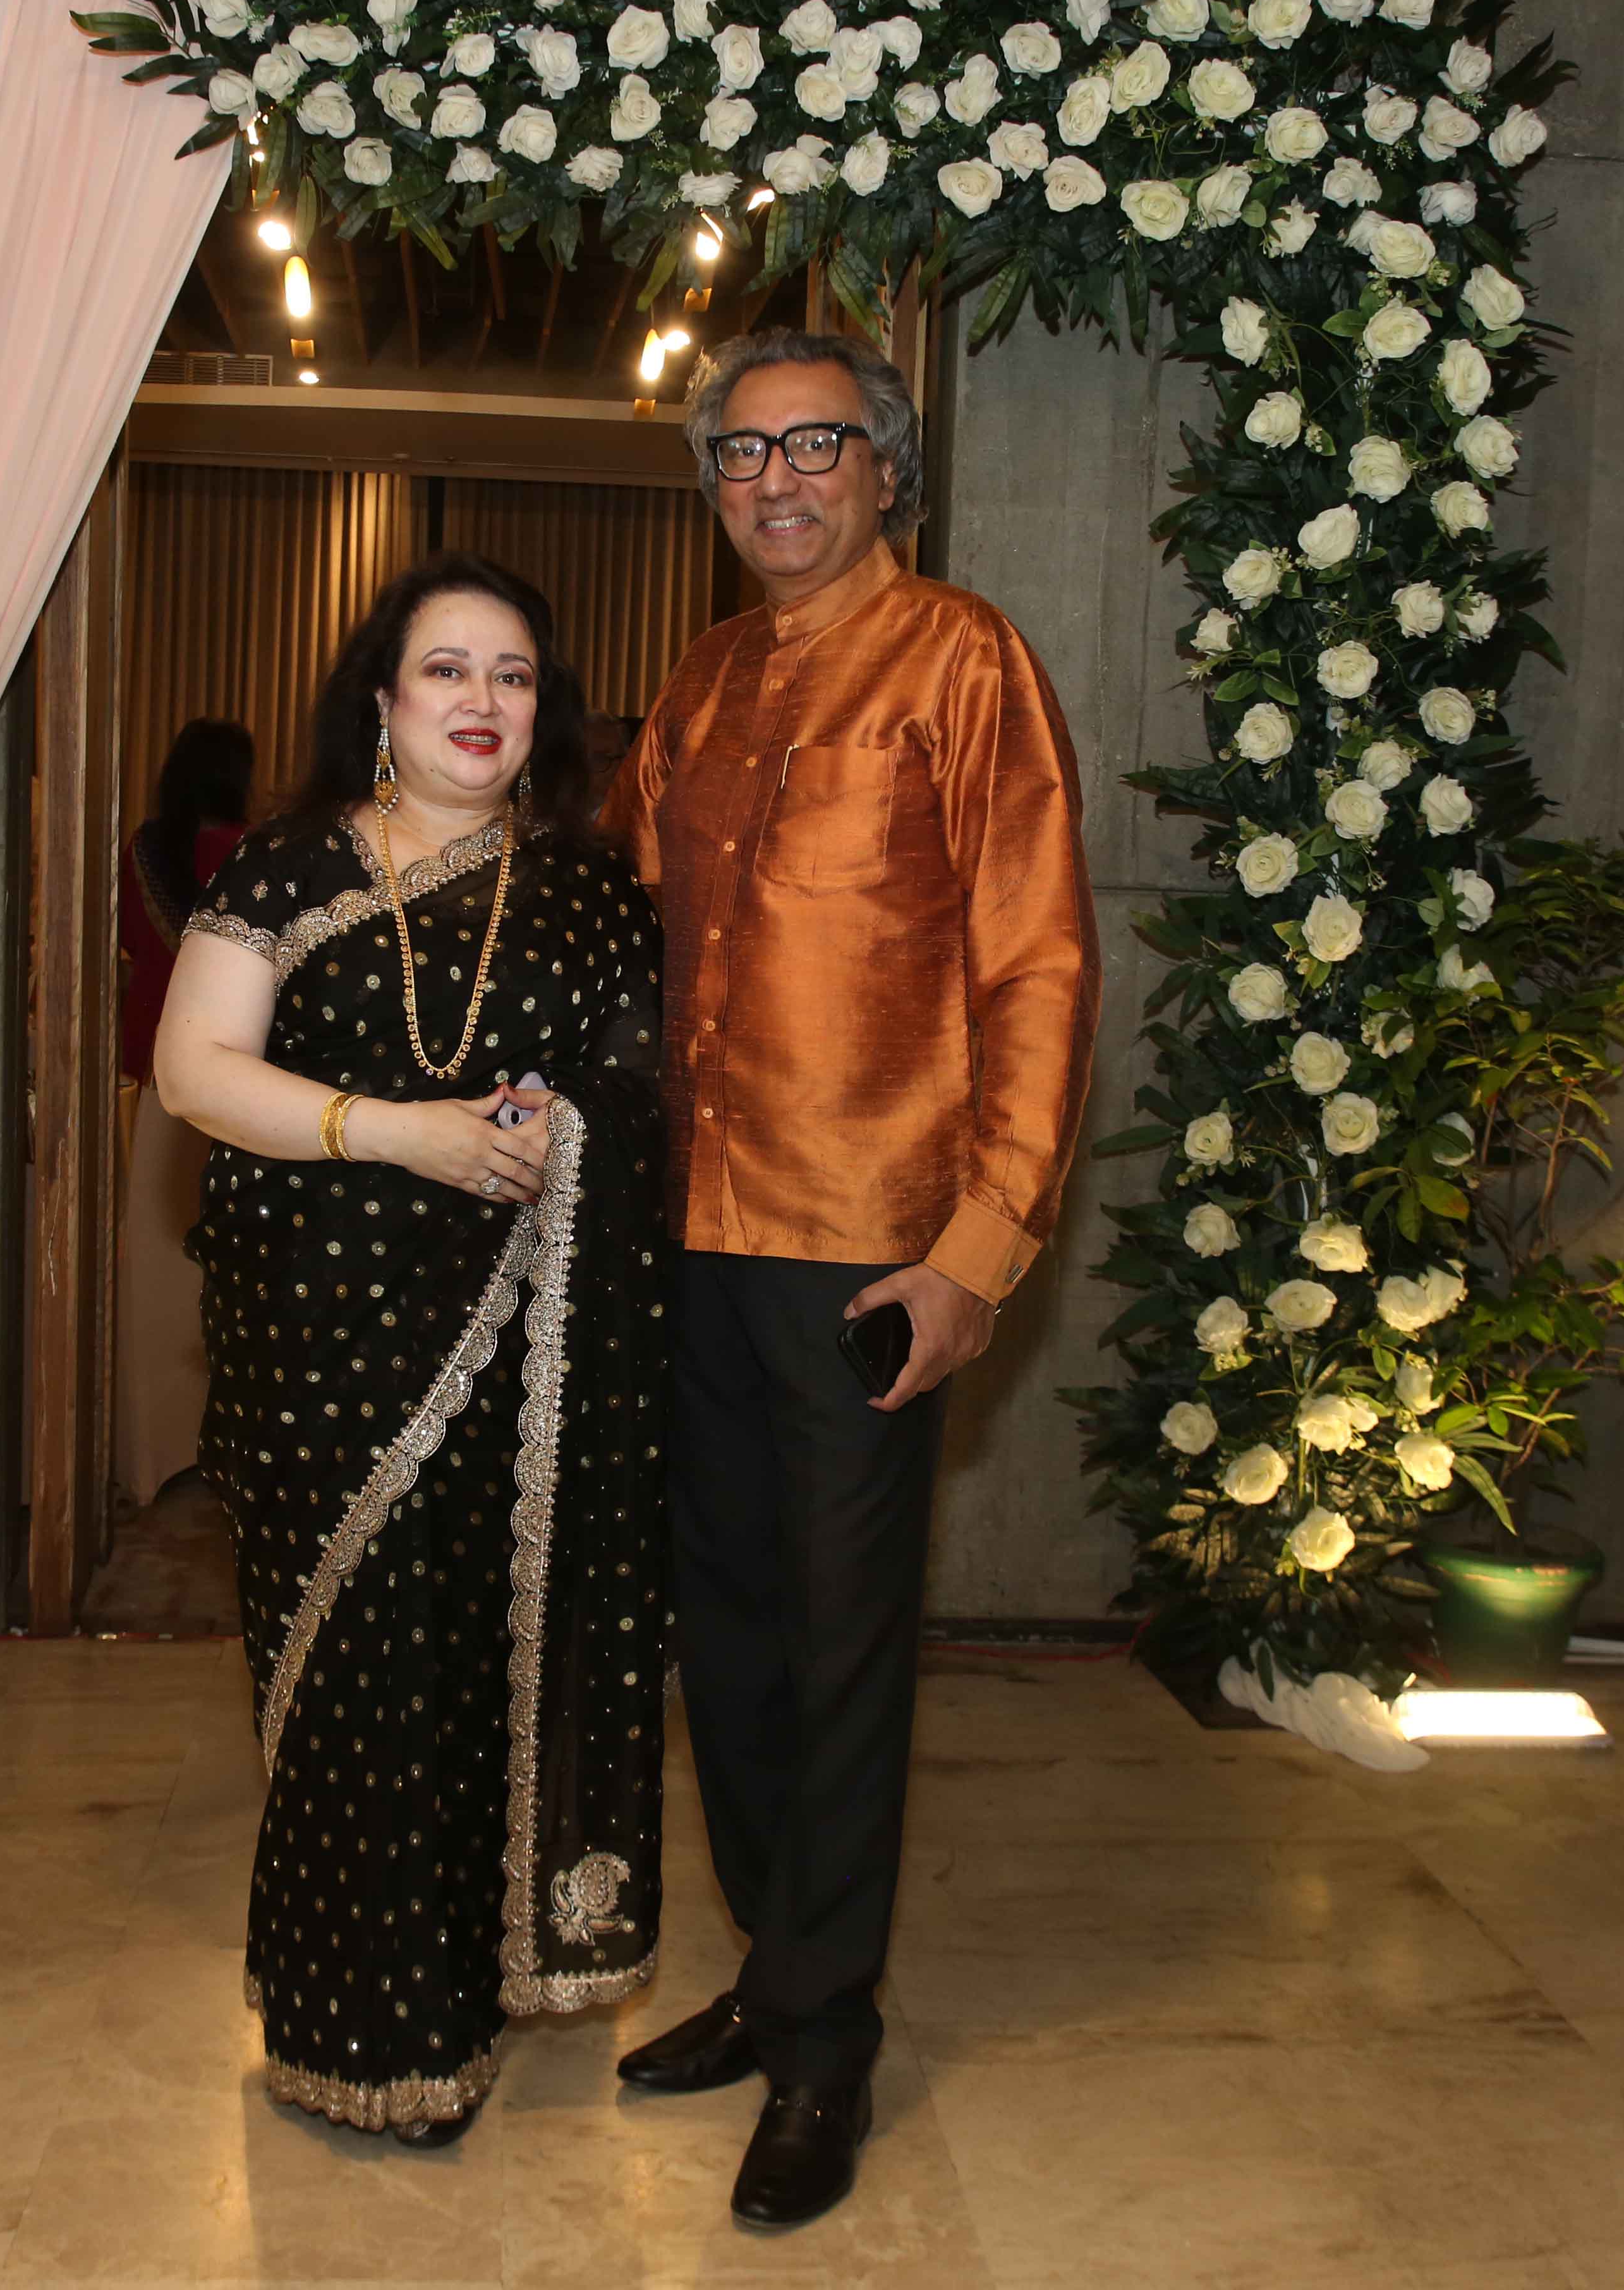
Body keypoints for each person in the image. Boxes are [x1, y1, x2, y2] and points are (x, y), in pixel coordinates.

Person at [605, 328, 1100, 2227]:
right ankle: (770, 1969)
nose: (777, 480)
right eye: (741, 455)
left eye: (815, 444)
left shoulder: (965, 661)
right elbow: (627, 931)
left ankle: (824, 2040)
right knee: (726, 1638)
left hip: (870, 1251)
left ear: (887, 468)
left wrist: (979, 1246)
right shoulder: (702, 680)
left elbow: (1038, 965)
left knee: (837, 1649)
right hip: (693, 1232)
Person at [151, 554, 670, 2145]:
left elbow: (643, 1089)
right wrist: (405, 1132)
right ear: (382, 698)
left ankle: (471, 1985)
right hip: (319, 1344)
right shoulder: (290, 863)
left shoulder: (589, 889)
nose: (481, 701)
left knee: (474, 1670)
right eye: (447, 669)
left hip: (521, 1355)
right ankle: (364, 2032)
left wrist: (564, 1128)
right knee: (357, 1679)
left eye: (512, 675)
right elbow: (193, 1069)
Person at [113, 717, 253, 1507]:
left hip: (157, 1064)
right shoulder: (247, 852)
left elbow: (133, 941)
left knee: (156, 1255)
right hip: (235, 1075)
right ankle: (225, 1440)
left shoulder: (145, 849)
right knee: (221, 1261)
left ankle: (151, 1449)